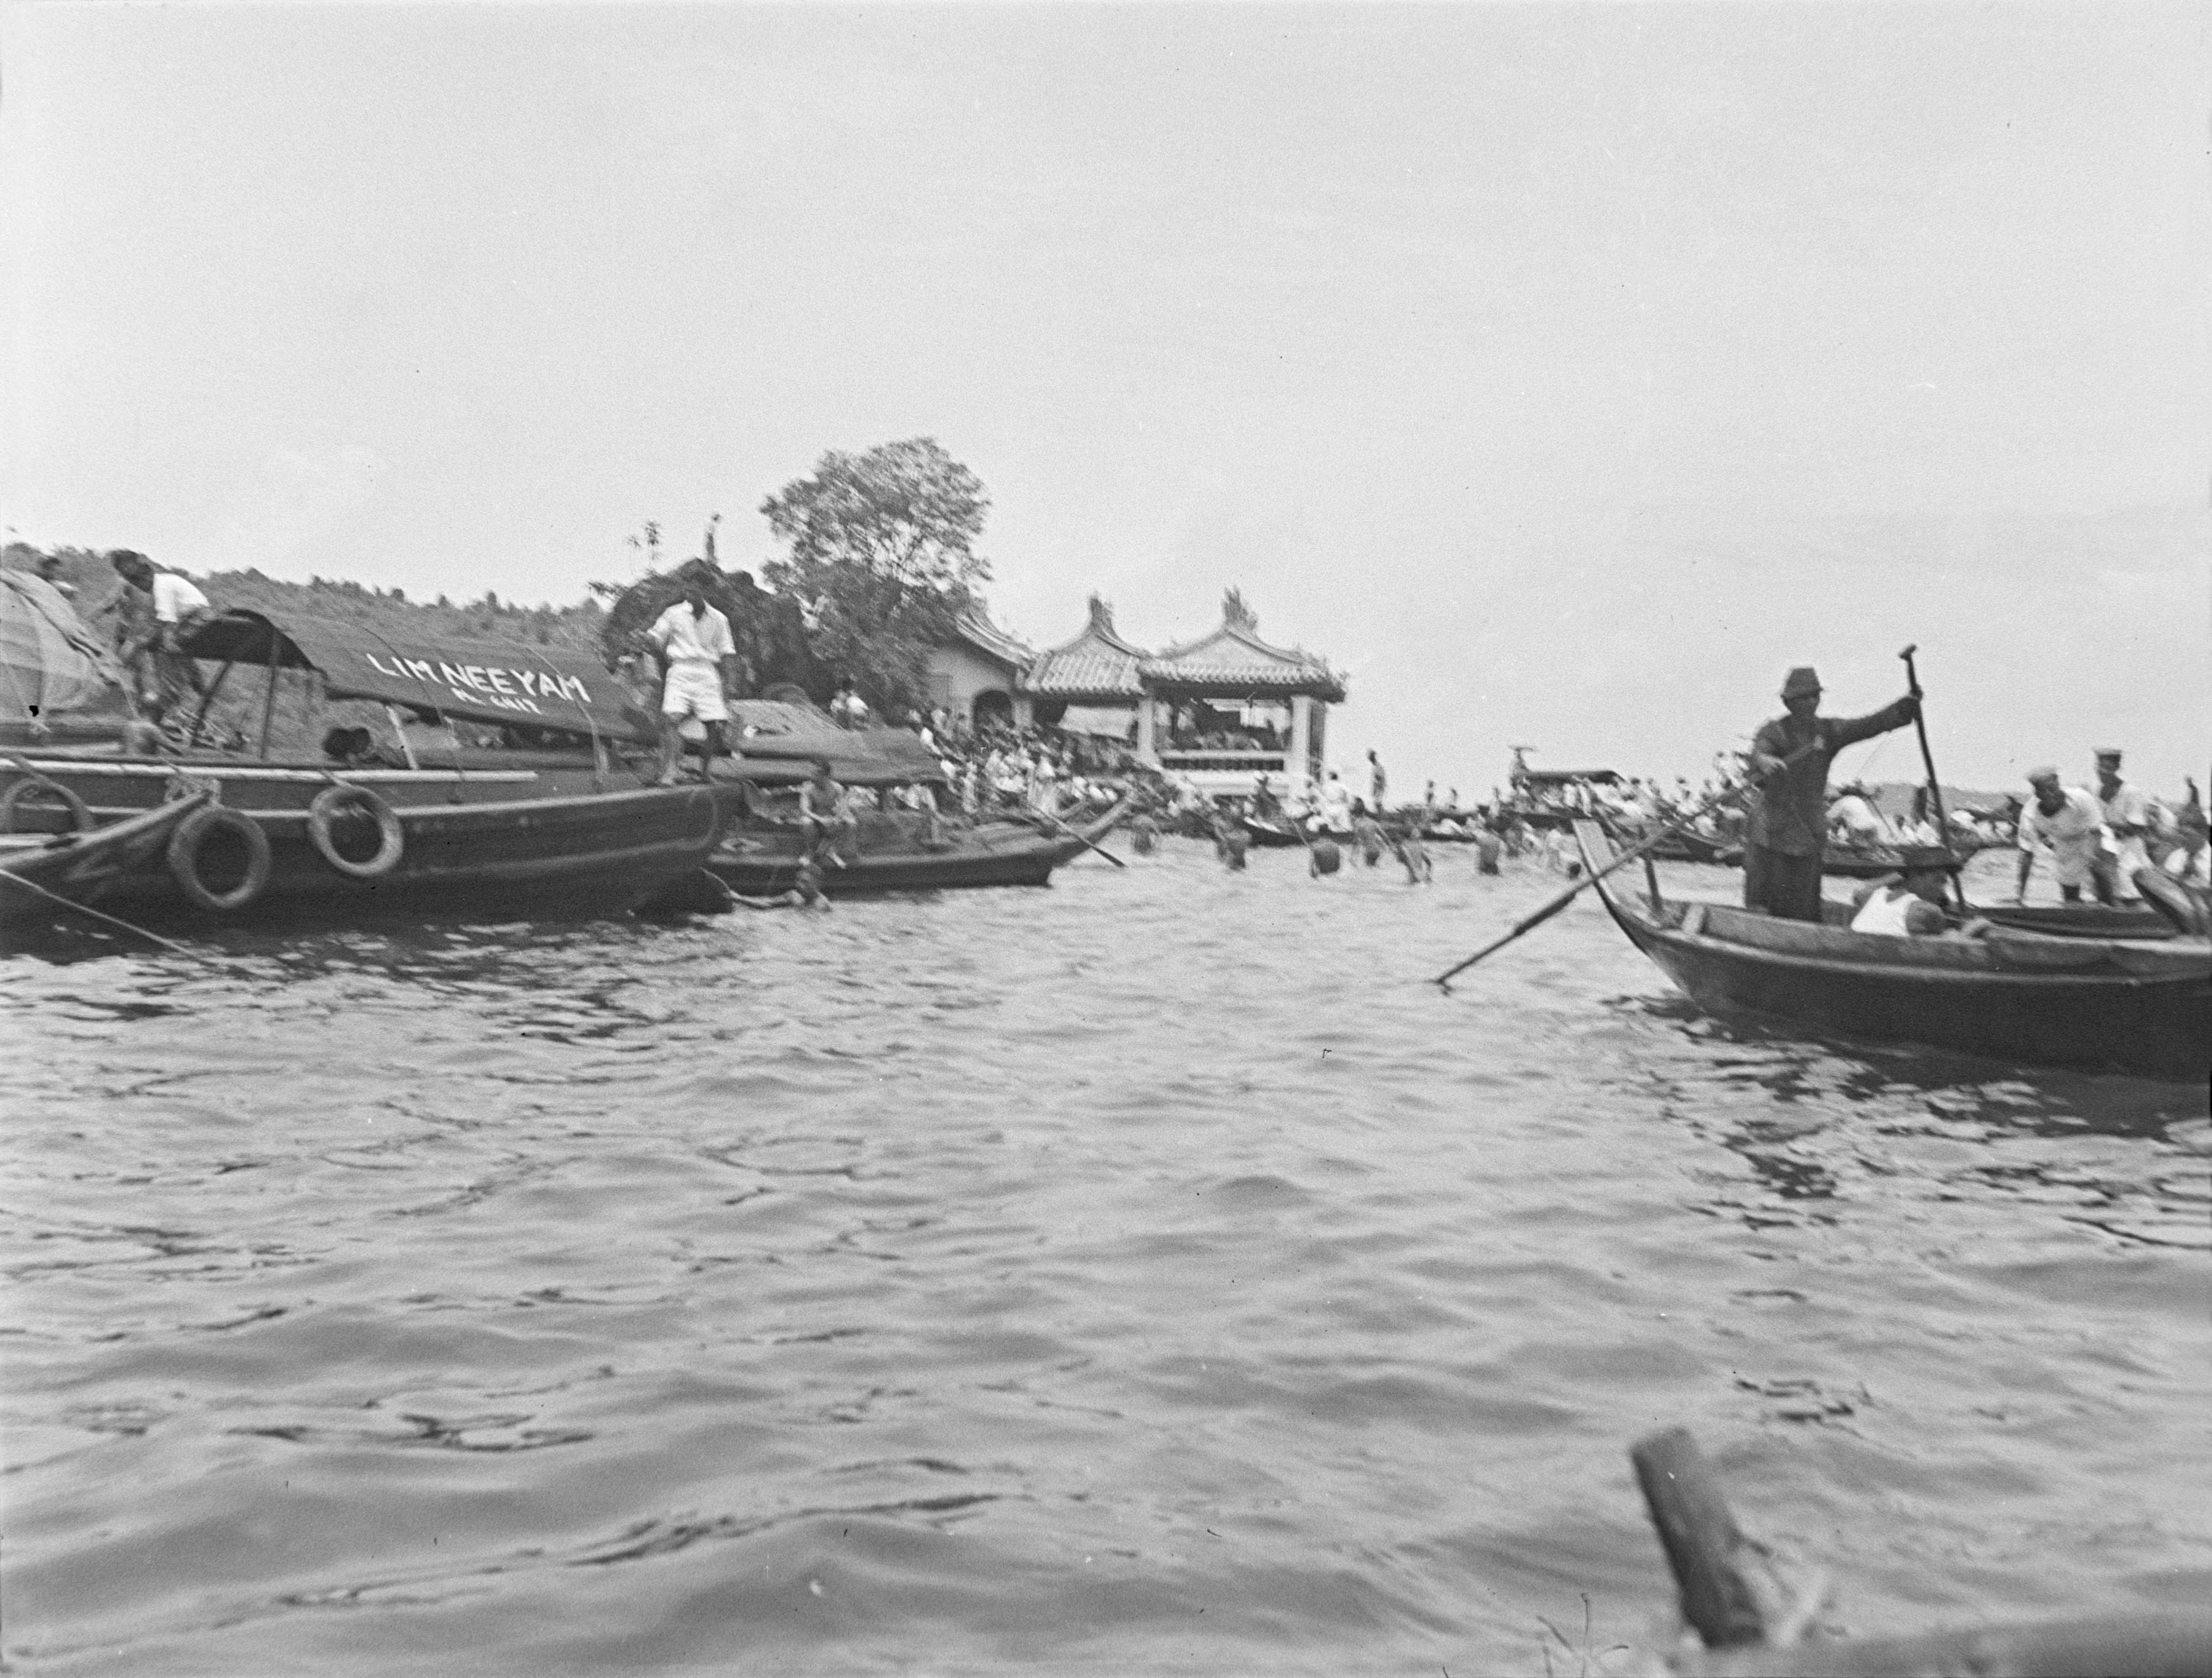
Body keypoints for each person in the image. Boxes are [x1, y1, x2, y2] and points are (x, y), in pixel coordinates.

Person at [1741, 665, 1919, 921]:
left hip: (1808, 830)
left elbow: (1867, 725)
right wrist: (1765, 761)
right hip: (1771, 829)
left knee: (1803, 907)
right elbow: (1760, 752)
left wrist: (1904, 708)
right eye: (1804, 697)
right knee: (1761, 904)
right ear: (1788, 702)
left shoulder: (1828, 731)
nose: (1811, 702)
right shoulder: (1774, 731)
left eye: (1815, 696)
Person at [647, 577, 737, 785]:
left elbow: (727, 652)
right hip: (680, 669)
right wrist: (650, 640)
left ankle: (705, 772)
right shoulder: (674, 613)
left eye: (696, 590)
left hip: (707, 671)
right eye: (688, 590)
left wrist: (730, 684)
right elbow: (656, 636)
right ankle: (670, 771)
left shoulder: (718, 619)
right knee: (672, 719)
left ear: (704, 591)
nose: (691, 595)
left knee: (714, 726)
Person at [109, 550, 214, 722]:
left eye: (140, 584)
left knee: (167, 648)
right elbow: (156, 622)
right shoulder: (159, 587)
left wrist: (145, 641)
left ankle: (172, 695)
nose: (141, 589)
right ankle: (186, 686)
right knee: (162, 646)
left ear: (146, 579)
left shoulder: (161, 586)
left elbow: (166, 620)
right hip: (188, 621)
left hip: (199, 618)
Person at [2015, 767, 2113, 904]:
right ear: (2037, 793)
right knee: (2071, 895)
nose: (2050, 794)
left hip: (2093, 835)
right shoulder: (2030, 814)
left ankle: (2110, 905)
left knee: (2098, 864)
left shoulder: (2081, 798)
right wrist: (2020, 895)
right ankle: (2075, 908)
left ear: (2058, 786)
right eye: (2044, 791)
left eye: (2053, 789)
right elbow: (2027, 854)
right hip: (2065, 842)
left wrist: (2090, 855)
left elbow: (2096, 831)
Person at [2092, 749, 2160, 903]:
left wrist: (2109, 826)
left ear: (2117, 769)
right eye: (2099, 767)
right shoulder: (2098, 791)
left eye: (2107, 768)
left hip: (2129, 849)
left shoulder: (2131, 792)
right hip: (2108, 850)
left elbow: (2138, 827)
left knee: (2132, 892)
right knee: (2106, 893)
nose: (2102, 772)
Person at [1849, 846, 1955, 936]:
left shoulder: (1872, 896)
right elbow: (1955, 946)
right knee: (1952, 934)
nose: (1941, 889)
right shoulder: (1926, 910)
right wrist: (1972, 924)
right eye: (1938, 880)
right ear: (1916, 876)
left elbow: (1862, 890)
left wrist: (1901, 874)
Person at [799, 758, 858, 865]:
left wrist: (837, 818)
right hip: (816, 819)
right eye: (812, 773)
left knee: (850, 822)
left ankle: (834, 851)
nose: (812, 776)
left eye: (817, 774)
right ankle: (810, 852)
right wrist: (820, 819)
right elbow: (804, 809)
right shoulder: (808, 788)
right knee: (806, 822)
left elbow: (843, 808)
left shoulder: (837, 788)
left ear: (826, 776)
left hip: (831, 820)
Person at [732, 858, 833, 910]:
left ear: (817, 884)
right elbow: (767, 903)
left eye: (805, 882)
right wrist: (739, 898)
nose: (799, 885)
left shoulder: (822, 906)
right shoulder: (793, 896)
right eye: (798, 880)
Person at [1367, 749, 1387, 813]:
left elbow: (1380, 778)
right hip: (1377, 787)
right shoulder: (1375, 766)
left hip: (1379, 787)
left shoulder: (1378, 766)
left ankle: (1382, 814)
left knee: (1377, 802)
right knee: (1376, 802)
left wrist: (1379, 787)